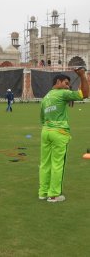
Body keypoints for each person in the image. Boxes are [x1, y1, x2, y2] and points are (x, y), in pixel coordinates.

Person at [39, 69, 89, 203]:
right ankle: (54, 195)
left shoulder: (46, 97)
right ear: (58, 82)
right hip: (59, 133)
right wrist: (83, 76)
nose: (68, 86)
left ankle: (43, 192)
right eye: (66, 83)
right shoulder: (62, 93)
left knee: (45, 164)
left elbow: (42, 118)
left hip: (46, 131)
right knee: (57, 164)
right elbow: (85, 94)